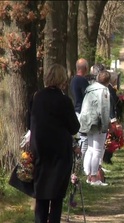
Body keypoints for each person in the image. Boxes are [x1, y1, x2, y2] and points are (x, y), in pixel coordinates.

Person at [29, 64, 80, 223]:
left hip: (40, 151)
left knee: (42, 196)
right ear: (62, 80)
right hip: (60, 155)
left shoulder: (37, 97)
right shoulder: (64, 101)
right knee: (56, 197)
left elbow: (29, 121)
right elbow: (74, 127)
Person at [79, 70, 111, 186]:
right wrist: (106, 125)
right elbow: (104, 109)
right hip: (97, 122)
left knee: (90, 149)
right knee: (97, 150)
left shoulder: (90, 89)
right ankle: (94, 177)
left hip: (87, 121)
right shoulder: (104, 90)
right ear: (107, 81)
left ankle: (88, 175)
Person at [70, 58, 90, 156]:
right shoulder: (83, 81)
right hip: (82, 111)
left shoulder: (73, 80)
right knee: (84, 137)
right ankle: (81, 160)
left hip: (76, 109)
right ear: (86, 68)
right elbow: (87, 96)